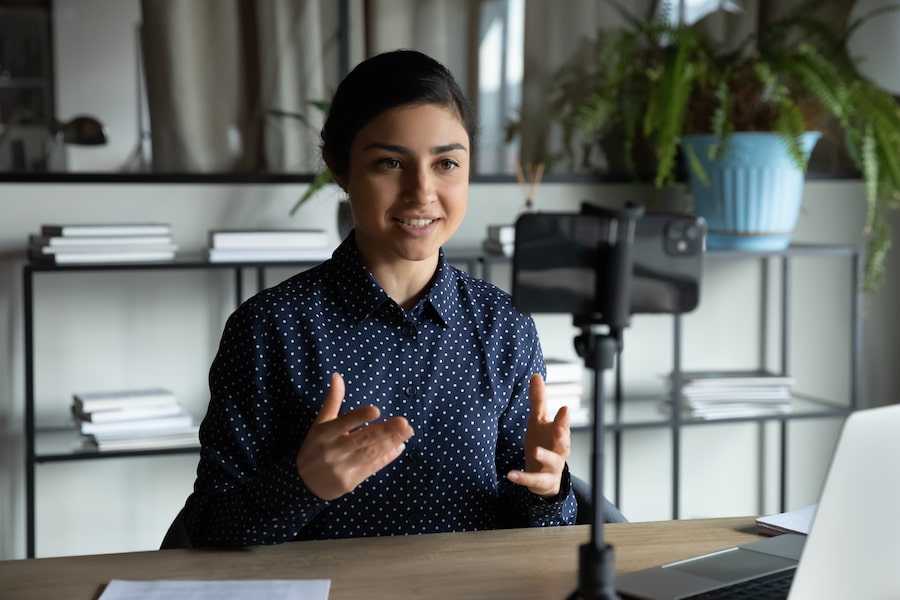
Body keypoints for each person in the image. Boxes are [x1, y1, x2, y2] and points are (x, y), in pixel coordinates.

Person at [181, 49, 580, 547]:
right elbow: (201, 534)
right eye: (390, 163)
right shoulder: (269, 328)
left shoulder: (504, 324)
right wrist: (302, 485)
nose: (422, 191)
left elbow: (538, 539)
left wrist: (547, 492)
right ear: (340, 169)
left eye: (447, 163)